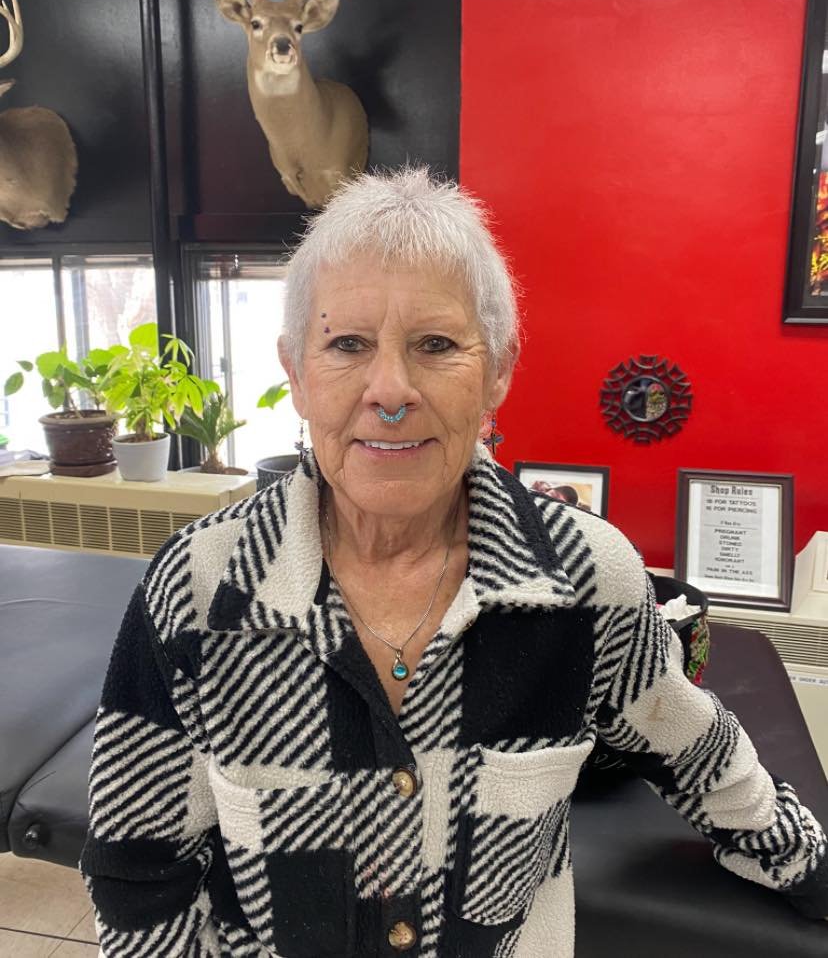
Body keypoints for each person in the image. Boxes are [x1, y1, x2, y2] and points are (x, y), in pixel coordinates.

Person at [79, 167, 828, 957]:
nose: (390, 391)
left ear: (497, 369)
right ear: (297, 374)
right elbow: (137, 878)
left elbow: (694, 748)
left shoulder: (588, 580)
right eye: (347, 344)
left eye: (435, 345)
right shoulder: (196, 590)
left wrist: (804, 863)